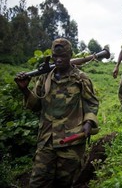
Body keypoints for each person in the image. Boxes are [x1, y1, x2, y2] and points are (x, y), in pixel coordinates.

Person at [14, 38, 99, 188]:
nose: (59, 60)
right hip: (47, 140)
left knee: (66, 183)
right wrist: (24, 90)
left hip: (71, 142)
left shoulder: (81, 78)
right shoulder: (45, 77)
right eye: (56, 56)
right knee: (38, 182)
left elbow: (91, 103)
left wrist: (88, 123)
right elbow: (35, 106)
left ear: (70, 55)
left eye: (63, 56)